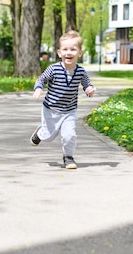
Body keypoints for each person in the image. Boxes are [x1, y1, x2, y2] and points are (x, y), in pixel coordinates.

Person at [30, 30, 96, 169]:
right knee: (48, 137)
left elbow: (87, 84)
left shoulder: (81, 71)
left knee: (69, 135)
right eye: (65, 49)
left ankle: (68, 157)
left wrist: (89, 90)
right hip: (50, 109)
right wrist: (38, 88)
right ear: (59, 53)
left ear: (80, 53)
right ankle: (40, 132)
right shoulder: (53, 69)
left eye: (73, 49)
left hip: (69, 111)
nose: (69, 52)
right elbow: (41, 79)